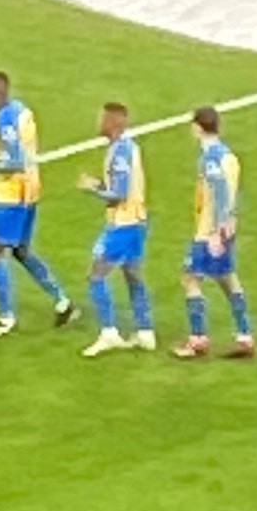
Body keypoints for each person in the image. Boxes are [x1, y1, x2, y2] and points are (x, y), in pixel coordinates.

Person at [0, 72, 70, 337]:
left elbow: (15, 161)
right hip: (29, 189)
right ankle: (63, 301)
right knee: (21, 251)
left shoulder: (7, 118)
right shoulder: (19, 111)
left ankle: (6, 319)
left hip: (12, 193)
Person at [177, 107, 252, 360]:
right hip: (226, 226)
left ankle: (197, 339)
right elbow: (232, 193)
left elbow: (220, 190)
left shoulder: (210, 158)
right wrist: (229, 221)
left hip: (209, 231)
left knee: (190, 278)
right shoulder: (229, 155)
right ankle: (244, 336)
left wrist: (217, 230)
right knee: (228, 278)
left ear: (198, 127)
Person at [78, 102, 152, 354]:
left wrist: (92, 189)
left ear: (113, 122)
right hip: (137, 221)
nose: (99, 121)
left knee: (95, 275)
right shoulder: (126, 147)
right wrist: (99, 183)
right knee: (133, 276)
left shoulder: (120, 151)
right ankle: (145, 332)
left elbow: (118, 194)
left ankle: (109, 332)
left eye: (103, 118)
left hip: (124, 224)